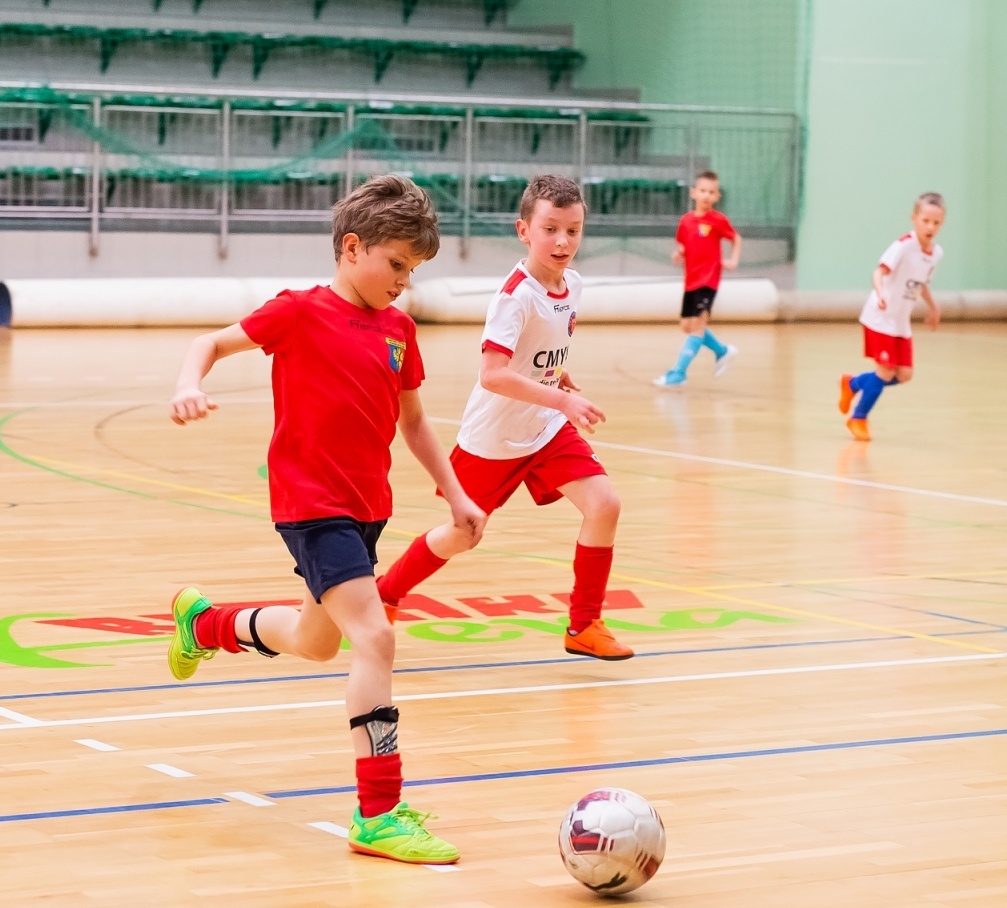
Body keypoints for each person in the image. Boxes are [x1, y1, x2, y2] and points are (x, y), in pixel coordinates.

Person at [165, 175, 486, 865]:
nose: (404, 281)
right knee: (375, 636)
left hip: (367, 508)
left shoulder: (399, 330)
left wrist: (455, 492)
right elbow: (209, 343)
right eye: (396, 264)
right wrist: (190, 383)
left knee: (316, 641)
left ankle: (205, 622)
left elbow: (416, 423)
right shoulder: (298, 312)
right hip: (312, 506)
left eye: (413, 270)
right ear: (352, 247)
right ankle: (379, 813)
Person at [374, 174, 634, 662]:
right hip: (494, 437)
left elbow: (535, 353)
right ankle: (385, 593)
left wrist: (561, 377)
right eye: (551, 228)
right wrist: (561, 401)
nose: (562, 241)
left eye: (573, 230)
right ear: (524, 231)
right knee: (464, 534)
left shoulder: (572, 283)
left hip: (544, 429)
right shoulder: (515, 296)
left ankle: (584, 625)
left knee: (604, 505)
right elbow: (493, 374)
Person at [839, 193, 946, 441]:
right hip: (880, 316)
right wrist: (879, 294)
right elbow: (879, 272)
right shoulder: (903, 246)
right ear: (914, 218)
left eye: (936, 223)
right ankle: (858, 418)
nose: (930, 227)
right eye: (925, 220)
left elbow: (922, 284)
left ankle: (853, 384)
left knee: (904, 375)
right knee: (886, 371)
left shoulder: (936, 253)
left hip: (900, 322)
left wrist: (933, 307)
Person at [653, 171, 742, 387]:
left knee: (697, 327)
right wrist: (679, 254)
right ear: (694, 192)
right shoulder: (686, 221)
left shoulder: (718, 220)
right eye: (702, 191)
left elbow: (736, 238)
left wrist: (733, 260)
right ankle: (722, 351)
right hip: (690, 281)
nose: (706, 195)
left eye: (711, 192)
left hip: (708, 281)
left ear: (717, 196)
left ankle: (678, 373)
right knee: (686, 326)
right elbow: (684, 245)